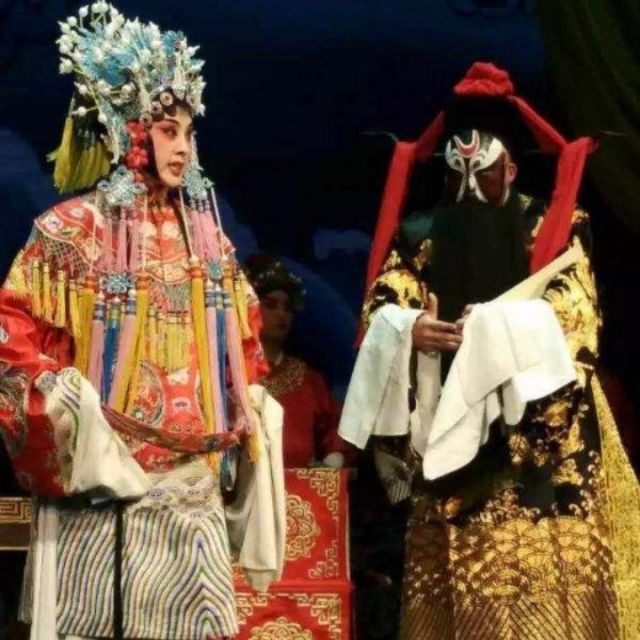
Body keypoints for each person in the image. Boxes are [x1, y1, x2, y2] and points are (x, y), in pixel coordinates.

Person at [0, 4, 284, 639]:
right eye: (166, 129)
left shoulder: (209, 241)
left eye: (188, 131)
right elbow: (10, 344)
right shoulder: (69, 232)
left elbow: (245, 346)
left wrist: (248, 400)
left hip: (191, 493)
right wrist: (63, 408)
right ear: (130, 131)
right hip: (100, 499)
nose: (183, 146)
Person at [339, 62, 640, 640]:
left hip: (541, 442)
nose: (472, 187)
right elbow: (385, 301)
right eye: (459, 173)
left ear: (510, 167)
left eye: (484, 171)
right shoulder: (421, 234)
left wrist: (494, 329)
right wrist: (409, 328)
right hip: (451, 429)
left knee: (551, 582)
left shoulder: (552, 226)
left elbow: (576, 315)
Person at [245, 254, 348, 469]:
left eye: (287, 307)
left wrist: (332, 460)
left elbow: (336, 429)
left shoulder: (308, 380)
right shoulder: (233, 375)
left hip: (299, 486)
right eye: (270, 305)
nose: (281, 314)